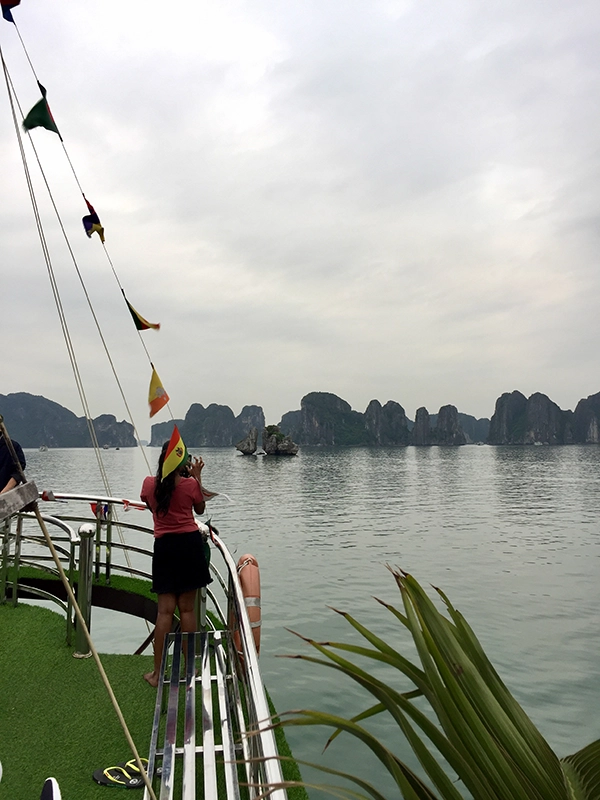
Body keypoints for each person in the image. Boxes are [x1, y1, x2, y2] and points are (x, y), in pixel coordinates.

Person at [140, 443, 211, 688]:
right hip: (189, 547)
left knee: (164, 613)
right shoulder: (190, 485)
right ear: (181, 463)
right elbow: (200, 510)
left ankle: (158, 674)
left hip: (165, 549)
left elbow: (151, 505)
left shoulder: (149, 484)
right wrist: (197, 477)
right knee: (188, 611)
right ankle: (190, 673)